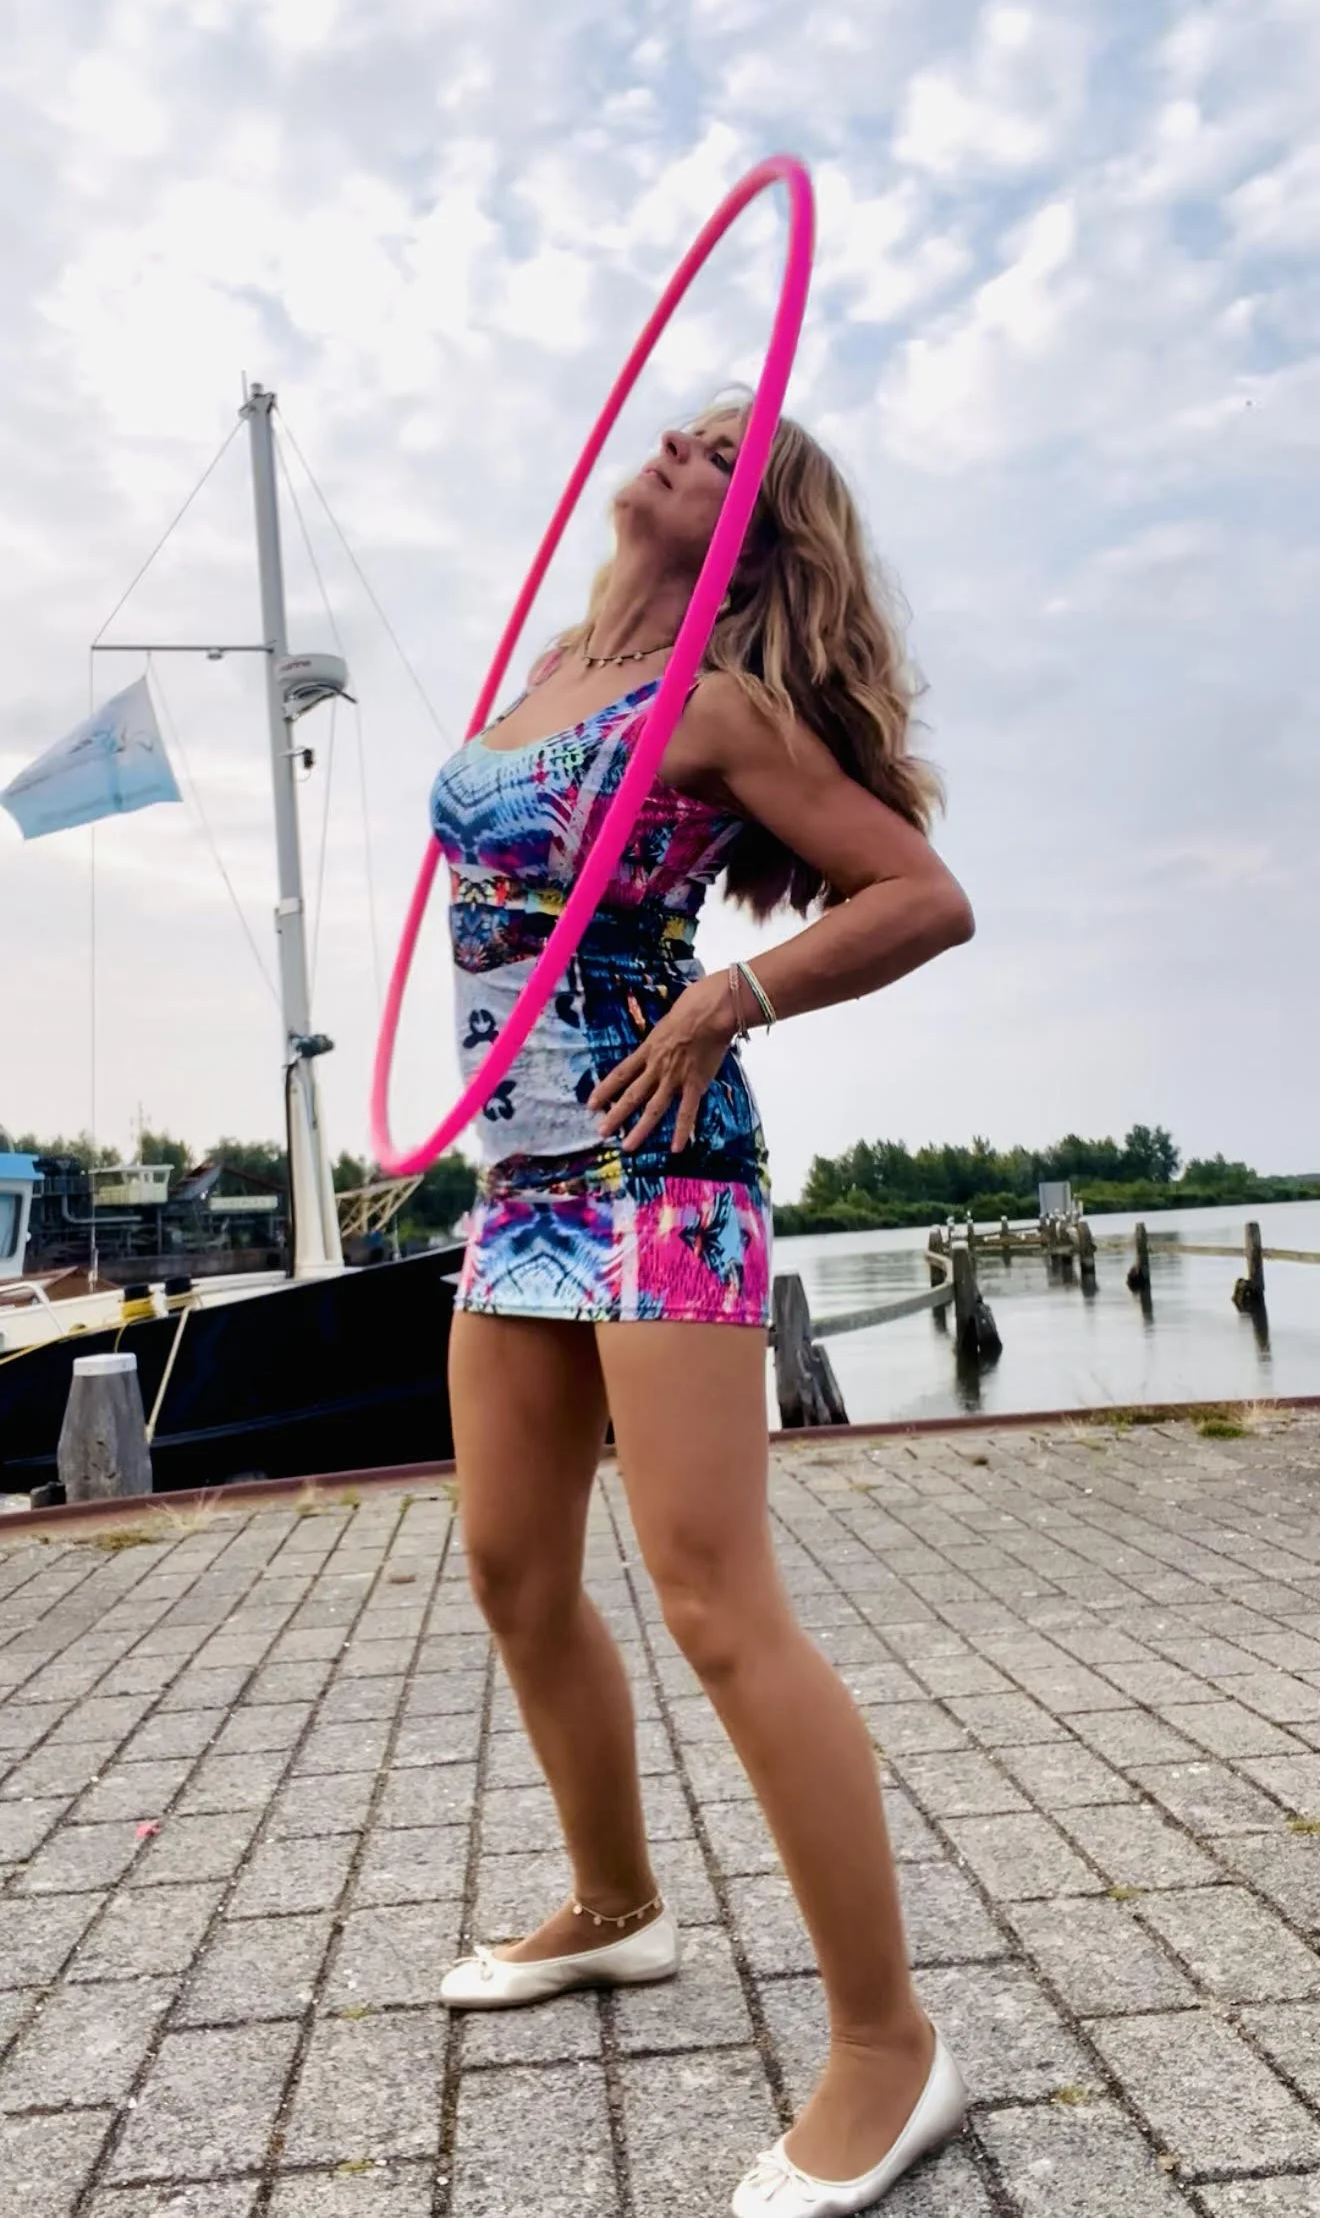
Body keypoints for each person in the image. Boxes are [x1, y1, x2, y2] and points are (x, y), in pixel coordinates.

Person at [429, 401, 974, 2218]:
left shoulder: (712, 709)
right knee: (511, 1566)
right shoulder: (551, 664)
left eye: (722, 445)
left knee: (713, 1598)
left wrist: (731, 993)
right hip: (519, 1184)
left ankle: (890, 2045)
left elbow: (921, 892)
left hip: (660, 1170)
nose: (679, 436)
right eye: (682, 419)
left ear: (751, 528)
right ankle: (615, 1904)